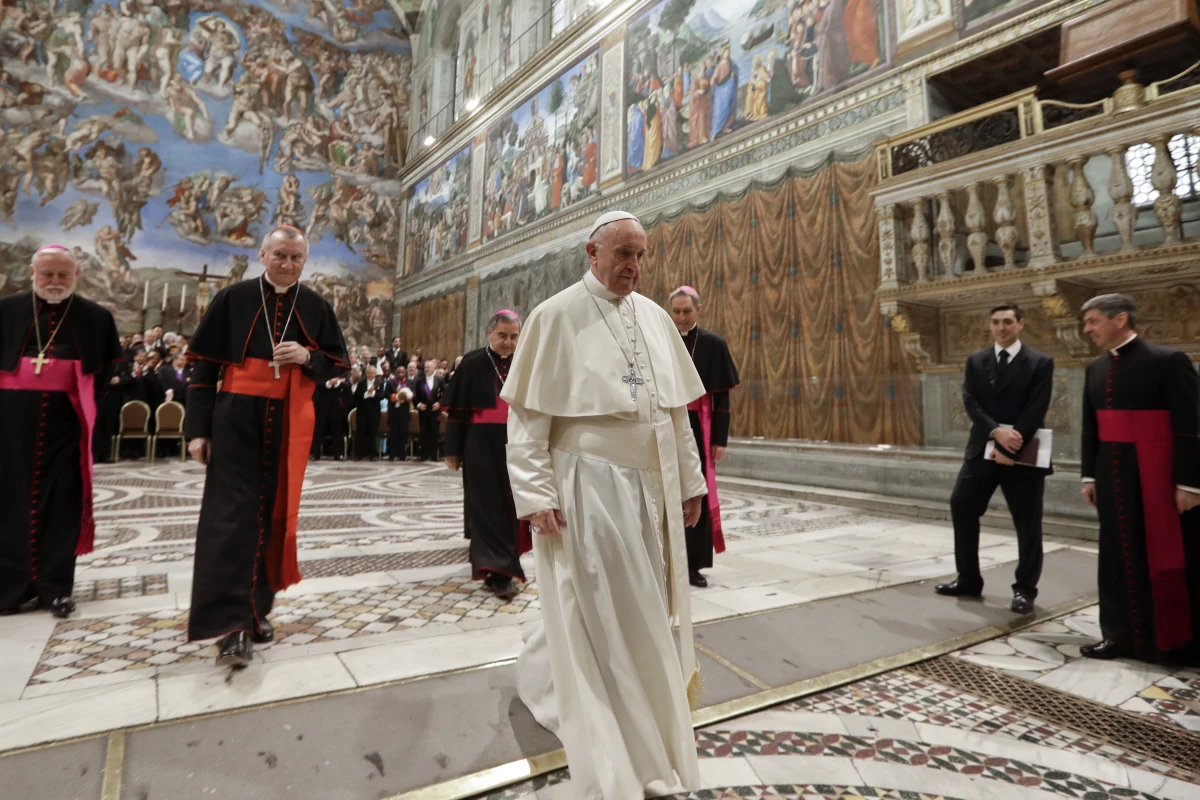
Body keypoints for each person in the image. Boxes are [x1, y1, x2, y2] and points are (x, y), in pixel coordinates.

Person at [504, 210, 708, 799]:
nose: (634, 267)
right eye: (623, 254)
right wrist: (536, 493)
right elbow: (527, 420)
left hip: (650, 485)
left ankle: (626, 700)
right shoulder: (554, 315)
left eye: (641, 255)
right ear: (591, 252)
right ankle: (614, 725)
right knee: (597, 601)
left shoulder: (654, 317)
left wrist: (690, 483)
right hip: (587, 482)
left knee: (639, 602)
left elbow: (676, 412)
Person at [185, 226, 347, 668]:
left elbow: (338, 364)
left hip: (287, 422)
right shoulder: (232, 299)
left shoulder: (315, 306)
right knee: (230, 519)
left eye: (296, 258)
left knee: (271, 516)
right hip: (235, 419)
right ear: (262, 254)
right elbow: (202, 370)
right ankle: (230, 626)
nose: (288, 264)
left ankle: (257, 611)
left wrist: (307, 358)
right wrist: (198, 431)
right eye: (280, 255)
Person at [0, 245, 121, 617]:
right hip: (10, 424)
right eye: (47, 274)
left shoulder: (96, 317)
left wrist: (97, 431)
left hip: (68, 425)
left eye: (62, 275)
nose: (54, 282)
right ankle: (10, 589)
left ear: (76, 276)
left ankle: (56, 588)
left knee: (63, 505)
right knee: (8, 502)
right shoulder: (5, 311)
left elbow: (103, 381)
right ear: (32, 273)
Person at [1078, 294, 1200, 662]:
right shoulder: (1094, 369)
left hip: (1158, 476)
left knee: (1167, 553)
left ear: (1120, 320)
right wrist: (1088, 476)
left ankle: (1176, 642)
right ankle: (1117, 636)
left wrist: (1190, 483)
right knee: (1115, 555)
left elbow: (1191, 426)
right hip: (1111, 478)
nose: (1087, 330)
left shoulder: (1168, 360)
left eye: (1093, 321)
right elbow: (1090, 429)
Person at [936, 304, 1054, 615]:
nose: (1001, 328)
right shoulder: (977, 361)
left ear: (1020, 324)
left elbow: (1037, 406)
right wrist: (995, 434)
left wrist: (1010, 442)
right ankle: (968, 579)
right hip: (982, 447)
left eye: (1007, 322)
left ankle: (1025, 590)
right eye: (995, 323)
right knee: (961, 505)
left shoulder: (1040, 362)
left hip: (1024, 448)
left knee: (1028, 523)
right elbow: (970, 401)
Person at [445, 310, 530, 600]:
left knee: (513, 507)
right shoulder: (472, 363)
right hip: (479, 443)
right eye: (502, 335)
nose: (508, 342)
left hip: (518, 441)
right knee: (486, 507)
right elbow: (457, 413)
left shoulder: (526, 361)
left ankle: (503, 566)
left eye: (514, 336)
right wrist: (453, 451)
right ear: (489, 333)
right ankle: (497, 572)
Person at [668, 286, 739, 588]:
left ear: (698, 309)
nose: (682, 317)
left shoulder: (713, 343)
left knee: (696, 492)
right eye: (677, 311)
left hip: (699, 425)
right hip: (667, 423)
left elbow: (721, 397)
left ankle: (694, 564)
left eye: (687, 311)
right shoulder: (662, 342)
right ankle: (668, 559)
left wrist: (719, 440)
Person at [413, 357, 443, 460]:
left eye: (428, 367)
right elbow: (415, 396)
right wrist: (419, 405)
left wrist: (440, 403)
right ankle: (424, 455)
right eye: (425, 367)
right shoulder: (419, 381)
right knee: (424, 433)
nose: (426, 368)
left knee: (434, 433)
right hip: (424, 411)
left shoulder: (440, 380)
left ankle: (434, 455)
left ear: (434, 368)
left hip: (435, 411)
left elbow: (446, 394)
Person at [386, 362, 415, 461]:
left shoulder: (410, 383)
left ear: (405, 373)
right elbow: (387, 394)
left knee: (404, 432)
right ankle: (392, 454)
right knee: (393, 433)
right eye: (399, 372)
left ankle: (402, 454)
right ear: (395, 373)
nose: (401, 374)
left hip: (405, 411)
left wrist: (407, 396)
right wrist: (396, 396)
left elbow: (413, 394)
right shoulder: (390, 382)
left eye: (403, 372)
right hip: (394, 411)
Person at [354, 363, 382, 460]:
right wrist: (367, 393)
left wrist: (373, 393)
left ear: (375, 373)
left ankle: (372, 455)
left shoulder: (379, 382)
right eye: (368, 373)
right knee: (361, 433)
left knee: (373, 433)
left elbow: (381, 396)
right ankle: (359, 454)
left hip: (374, 412)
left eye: (372, 373)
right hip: (362, 411)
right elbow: (357, 396)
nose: (370, 375)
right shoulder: (361, 383)